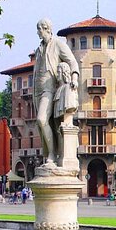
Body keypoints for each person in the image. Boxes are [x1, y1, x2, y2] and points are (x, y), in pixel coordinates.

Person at [33, 18, 80, 166]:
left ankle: (52, 155)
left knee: (42, 119)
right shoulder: (39, 49)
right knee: (43, 125)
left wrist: (74, 77)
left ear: (46, 28)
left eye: (39, 29)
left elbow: (72, 61)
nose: (37, 32)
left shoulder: (58, 44)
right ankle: (48, 155)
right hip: (37, 91)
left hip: (50, 89)